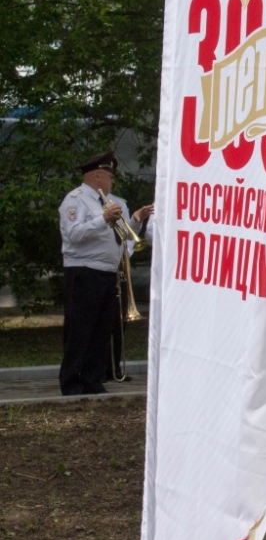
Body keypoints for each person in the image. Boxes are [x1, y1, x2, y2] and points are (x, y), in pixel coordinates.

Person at [58, 152, 153, 395]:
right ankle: (71, 381)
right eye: (110, 176)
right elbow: (73, 235)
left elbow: (122, 234)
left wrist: (136, 220)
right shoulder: (76, 200)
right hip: (84, 271)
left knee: (102, 329)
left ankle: (93, 379)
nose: (112, 181)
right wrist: (103, 219)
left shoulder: (108, 202)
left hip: (108, 272)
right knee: (80, 328)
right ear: (97, 175)